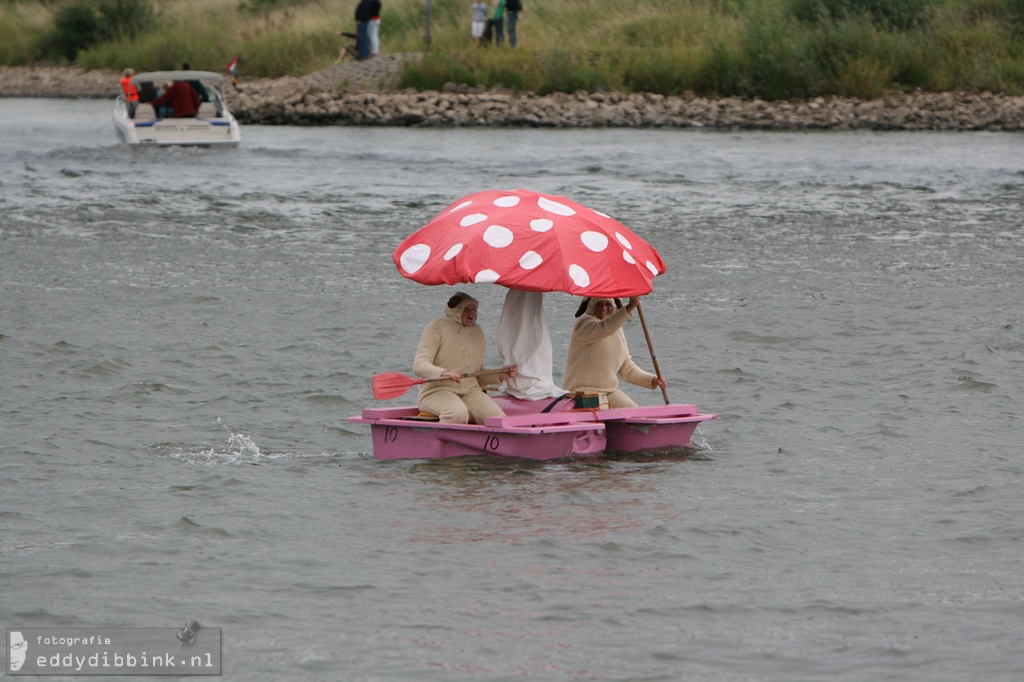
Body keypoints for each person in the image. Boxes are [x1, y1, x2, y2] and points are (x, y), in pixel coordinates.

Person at [413, 292, 518, 424]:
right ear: (456, 310)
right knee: (456, 414)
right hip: (436, 391)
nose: (472, 313)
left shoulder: (477, 333)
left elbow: (477, 373)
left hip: (470, 391)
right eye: (467, 308)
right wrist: (444, 372)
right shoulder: (437, 326)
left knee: (498, 419)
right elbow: (419, 365)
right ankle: (438, 444)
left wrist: (501, 374)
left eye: (474, 309)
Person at [562, 296, 666, 409]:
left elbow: (628, 369)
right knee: (601, 416)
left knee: (636, 414)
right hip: (581, 392)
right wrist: (630, 306)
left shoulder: (617, 329)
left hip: (609, 391)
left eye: (608, 305)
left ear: (614, 306)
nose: (604, 308)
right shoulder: (583, 325)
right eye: (599, 305)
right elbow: (604, 327)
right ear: (591, 307)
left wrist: (653, 379)